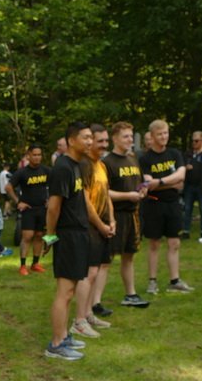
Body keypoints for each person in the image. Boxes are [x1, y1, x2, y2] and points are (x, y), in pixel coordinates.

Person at [44, 122, 104, 361]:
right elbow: (53, 207)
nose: (90, 142)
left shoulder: (77, 165)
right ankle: (56, 344)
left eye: (92, 138)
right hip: (67, 235)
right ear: (71, 140)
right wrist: (50, 235)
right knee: (65, 291)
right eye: (86, 138)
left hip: (79, 234)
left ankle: (63, 336)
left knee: (69, 291)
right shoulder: (62, 167)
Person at [138, 119, 193, 294]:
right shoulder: (145, 158)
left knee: (174, 242)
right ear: (152, 136)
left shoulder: (175, 154)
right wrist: (171, 182)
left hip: (173, 204)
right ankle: (152, 281)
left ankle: (174, 280)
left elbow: (181, 176)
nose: (164, 137)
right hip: (154, 204)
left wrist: (160, 181)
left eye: (166, 133)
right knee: (154, 243)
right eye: (160, 134)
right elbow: (148, 184)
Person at [74, 123, 116, 338]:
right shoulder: (84, 165)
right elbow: (85, 200)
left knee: (96, 271)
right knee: (88, 273)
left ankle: (88, 313)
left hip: (103, 226)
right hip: (89, 227)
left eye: (105, 141)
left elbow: (106, 194)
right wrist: (100, 224)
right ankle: (79, 321)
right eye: (99, 141)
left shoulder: (102, 165)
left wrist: (112, 219)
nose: (103, 145)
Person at [104, 121, 148, 309]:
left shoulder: (133, 159)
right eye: (125, 136)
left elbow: (138, 183)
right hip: (116, 215)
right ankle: (95, 302)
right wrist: (127, 196)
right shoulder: (107, 163)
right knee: (106, 259)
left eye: (131, 136)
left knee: (129, 256)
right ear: (115, 138)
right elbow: (104, 193)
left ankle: (130, 294)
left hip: (133, 215)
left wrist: (142, 190)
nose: (130, 140)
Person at [6, 143, 51, 275]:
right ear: (28, 156)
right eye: (34, 155)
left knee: (39, 235)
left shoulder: (46, 170)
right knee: (27, 236)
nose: (37, 157)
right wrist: (18, 202)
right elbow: (8, 187)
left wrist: (51, 199)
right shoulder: (22, 172)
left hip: (42, 208)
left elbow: (56, 184)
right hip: (28, 210)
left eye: (39, 155)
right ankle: (23, 265)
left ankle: (35, 263)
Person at [182, 131, 202, 240]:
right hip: (189, 186)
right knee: (187, 208)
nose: (194, 143)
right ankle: (186, 231)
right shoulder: (188, 154)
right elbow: (181, 167)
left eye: (196, 140)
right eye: (192, 140)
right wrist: (186, 167)